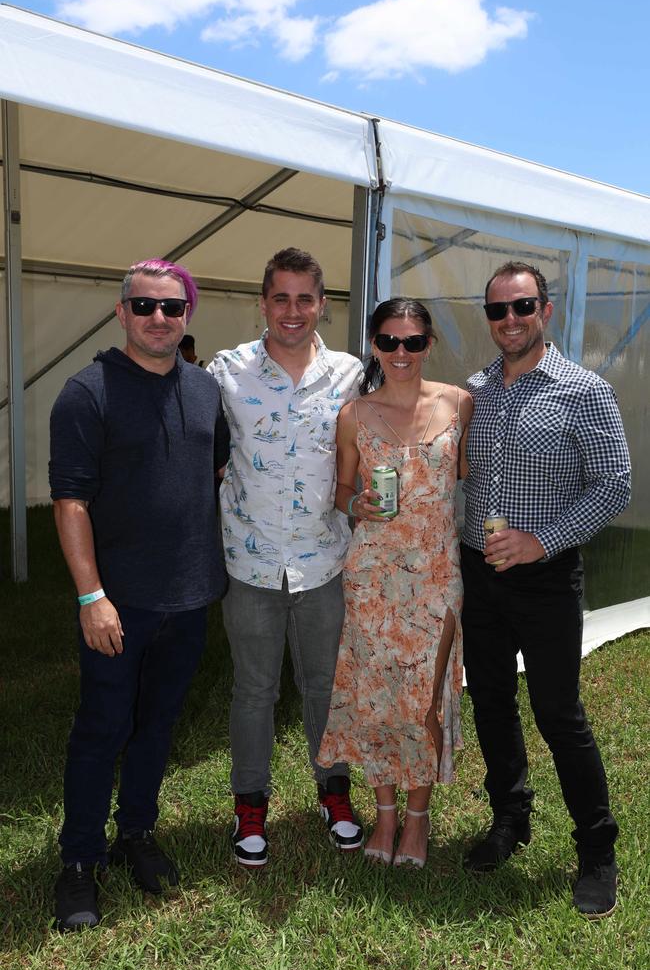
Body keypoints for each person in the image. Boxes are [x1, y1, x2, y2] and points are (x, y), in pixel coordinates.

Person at [49, 259, 229, 932]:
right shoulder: (86, 392)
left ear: (188, 316)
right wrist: (90, 595)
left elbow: (212, 468)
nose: (160, 319)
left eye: (172, 308)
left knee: (158, 727)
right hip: (118, 605)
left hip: (188, 599)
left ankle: (137, 835)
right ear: (121, 312)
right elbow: (69, 503)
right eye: (146, 307)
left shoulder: (206, 390)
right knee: (102, 729)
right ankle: (77, 863)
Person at [460, 260, 631, 918]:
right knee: (492, 702)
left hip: (546, 579)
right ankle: (511, 818)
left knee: (560, 714)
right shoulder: (476, 390)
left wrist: (541, 540)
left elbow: (613, 485)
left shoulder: (585, 391)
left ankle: (597, 849)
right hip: (479, 572)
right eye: (498, 310)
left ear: (546, 312)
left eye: (522, 307)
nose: (510, 321)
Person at [207, 247, 365, 867]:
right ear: (263, 302)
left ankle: (334, 791)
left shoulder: (352, 373)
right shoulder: (226, 371)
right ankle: (250, 805)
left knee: (325, 684)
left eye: (305, 298)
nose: (293, 311)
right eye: (281, 298)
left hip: (324, 558)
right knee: (253, 690)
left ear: (323, 304)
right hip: (248, 562)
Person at [317, 298, 473, 868]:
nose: (400, 353)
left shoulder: (459, 403)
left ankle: (418, 821)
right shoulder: (354, 414)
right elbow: (340, 494)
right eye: (388, 342)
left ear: (429, 344)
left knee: (424, 703)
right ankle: (384, 817)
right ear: (375, 346)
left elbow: (470, 480)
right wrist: (359, 502)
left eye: (412, 342)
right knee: (379, 700)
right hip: (373, 576)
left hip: (435, 573)